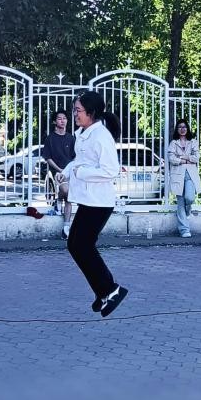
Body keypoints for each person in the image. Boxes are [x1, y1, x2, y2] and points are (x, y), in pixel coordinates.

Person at [61, 91, 128, 317]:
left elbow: (111, 170)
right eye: (75, 110)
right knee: (76, 245)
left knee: (81, 246)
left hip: (99, 202)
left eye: (78, 111)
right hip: (88, 200)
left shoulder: (101, 136)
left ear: (91, 112)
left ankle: (110, 290)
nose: (75, 114)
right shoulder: (83, 133)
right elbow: (79, 161)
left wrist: (81, 172)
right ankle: (104, 291)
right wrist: (67, 172)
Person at [41, 109, 76, 238]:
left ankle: (66, 228)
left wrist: (69, 169)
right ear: (55, 122)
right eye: (60, 118)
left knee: (69, 197)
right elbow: (47, 158)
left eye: (64, 118)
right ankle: (59, 199)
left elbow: (75, 156)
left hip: (69, 172)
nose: (63, 121)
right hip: (56, 172)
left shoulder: (71, 138)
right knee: (66, 191)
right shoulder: (50, 139)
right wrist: (60, 170)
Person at [167, 118, 200, 238]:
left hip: (190, 175)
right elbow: (171, 159)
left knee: (189, 198)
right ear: (177, 129)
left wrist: (181, 157)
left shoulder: (193, 142)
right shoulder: (173, 143)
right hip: (177, 175)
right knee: (180, 202)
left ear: (187, 128)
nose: (182, 129)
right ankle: (184, 230)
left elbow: (196, 158)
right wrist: (187, 159)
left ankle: (188, 210)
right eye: (180, 127)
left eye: (184, 127)